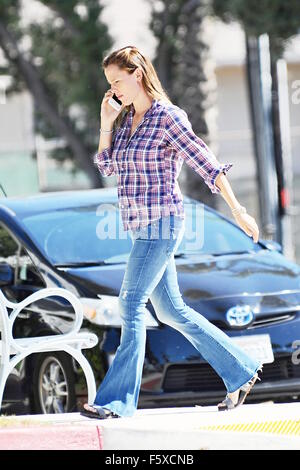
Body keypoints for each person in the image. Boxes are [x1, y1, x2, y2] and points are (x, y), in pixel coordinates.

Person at [80, 45, 263, 420]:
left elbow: (206, 163)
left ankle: (115, 402)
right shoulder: (128, 120)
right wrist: (106, 121)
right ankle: (241, 370)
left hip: (162, 223)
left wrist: (239, 210)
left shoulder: (167, 117)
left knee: (130, 305)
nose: (114, 89)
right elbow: (106, 166)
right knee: (171, 310)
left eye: (118, 80)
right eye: (109, 84)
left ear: (138, 74)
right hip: (140, 226)